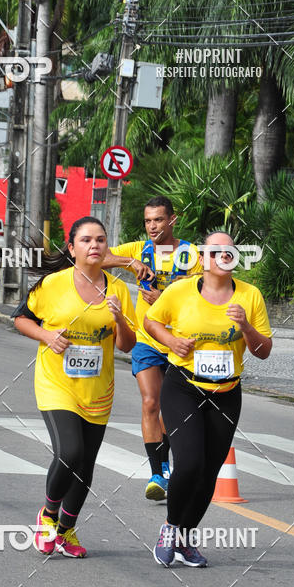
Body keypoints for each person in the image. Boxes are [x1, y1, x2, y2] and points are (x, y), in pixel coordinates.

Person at [144, 231, 272, 568]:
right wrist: (171, 342)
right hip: (184, 387)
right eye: (215, 251)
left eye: (229, 250)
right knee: (189, 463)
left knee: (209, 473)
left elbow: (263, 351)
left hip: (227, 393)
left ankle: (186, 539)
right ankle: (171, 528)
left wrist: (245, 326)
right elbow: (151, 320)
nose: (223, 255)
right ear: (203, 259)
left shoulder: (250, 296)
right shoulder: (180, 291)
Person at [14, 216, 137, 558]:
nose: (94, 245)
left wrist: (120, 319)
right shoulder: (53, 284)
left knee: (85, 467)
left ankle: (67, 530)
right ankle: (48, 515)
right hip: (57, 384)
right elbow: (21, 319)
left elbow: (127, 344)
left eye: (100, 239)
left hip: (98, 391)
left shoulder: (119, 290)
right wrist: (46, 336)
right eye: (86, 240)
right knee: (70, 452)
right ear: (72, 247)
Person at [102, 196, 201, 501]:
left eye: (158, 219)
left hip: (178, 342)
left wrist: (163, 301)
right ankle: (157, 472)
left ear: (173, 219)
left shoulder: (189, 254)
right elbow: (95, 257)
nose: (152, 226)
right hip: (146, 338)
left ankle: (168, 466)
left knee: (170, 412)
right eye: (148, 221)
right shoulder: (139, 249)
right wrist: (129, 262)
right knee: (149, 403)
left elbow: (200, 299)